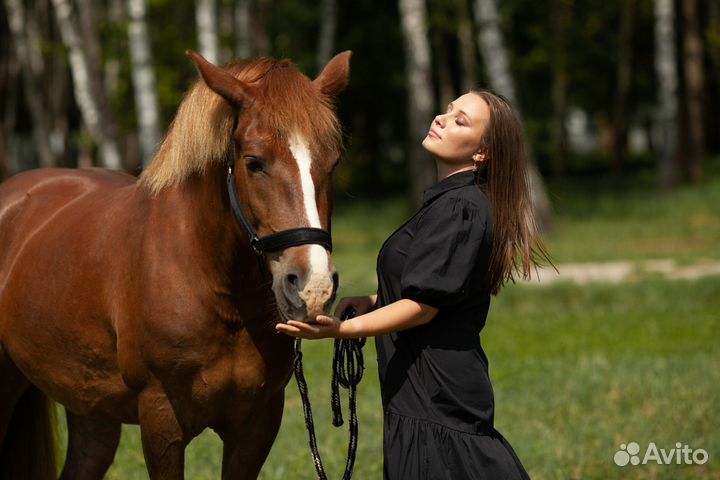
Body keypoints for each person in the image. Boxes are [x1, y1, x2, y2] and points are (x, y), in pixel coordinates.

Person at [276, 89, 551, 479]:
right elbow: (437, 287)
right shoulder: (447, 203)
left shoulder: (461, 208)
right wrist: (374, 300)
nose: (442, 118)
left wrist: (343, 329)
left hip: (437, 399)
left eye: (460, 121)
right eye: (448, 110)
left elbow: (424, 307)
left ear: (481, 153)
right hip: (418, 396)